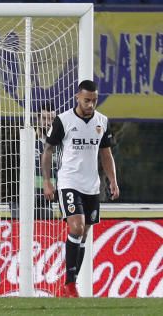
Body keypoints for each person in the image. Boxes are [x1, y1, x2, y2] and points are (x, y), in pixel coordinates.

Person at [41, 80, 120, 298]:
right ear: (78, 97)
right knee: (76, 227)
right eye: (87, 100)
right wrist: (48, 181)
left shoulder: (102, 121)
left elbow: (106, 153)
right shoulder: (63, 120)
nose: (90, 105)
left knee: (83, 234)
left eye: (94, 101)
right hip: (69, 182)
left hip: (91, 185)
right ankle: (69, 284)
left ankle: (71, 283)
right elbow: (47, 151)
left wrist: (113, 181)